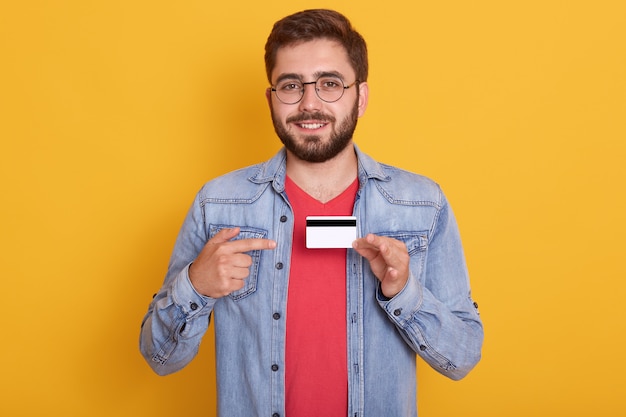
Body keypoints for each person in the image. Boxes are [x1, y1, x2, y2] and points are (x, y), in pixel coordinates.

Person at [140, 8, 483, 417]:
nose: (309, 103)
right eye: (290, 85)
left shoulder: (422, 204)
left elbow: (462, 357)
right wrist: (195, 285)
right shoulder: (218, 203)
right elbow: (159, 359)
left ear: (362, 97)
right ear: (271, 98)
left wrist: (405, 293)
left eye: (330, 84)